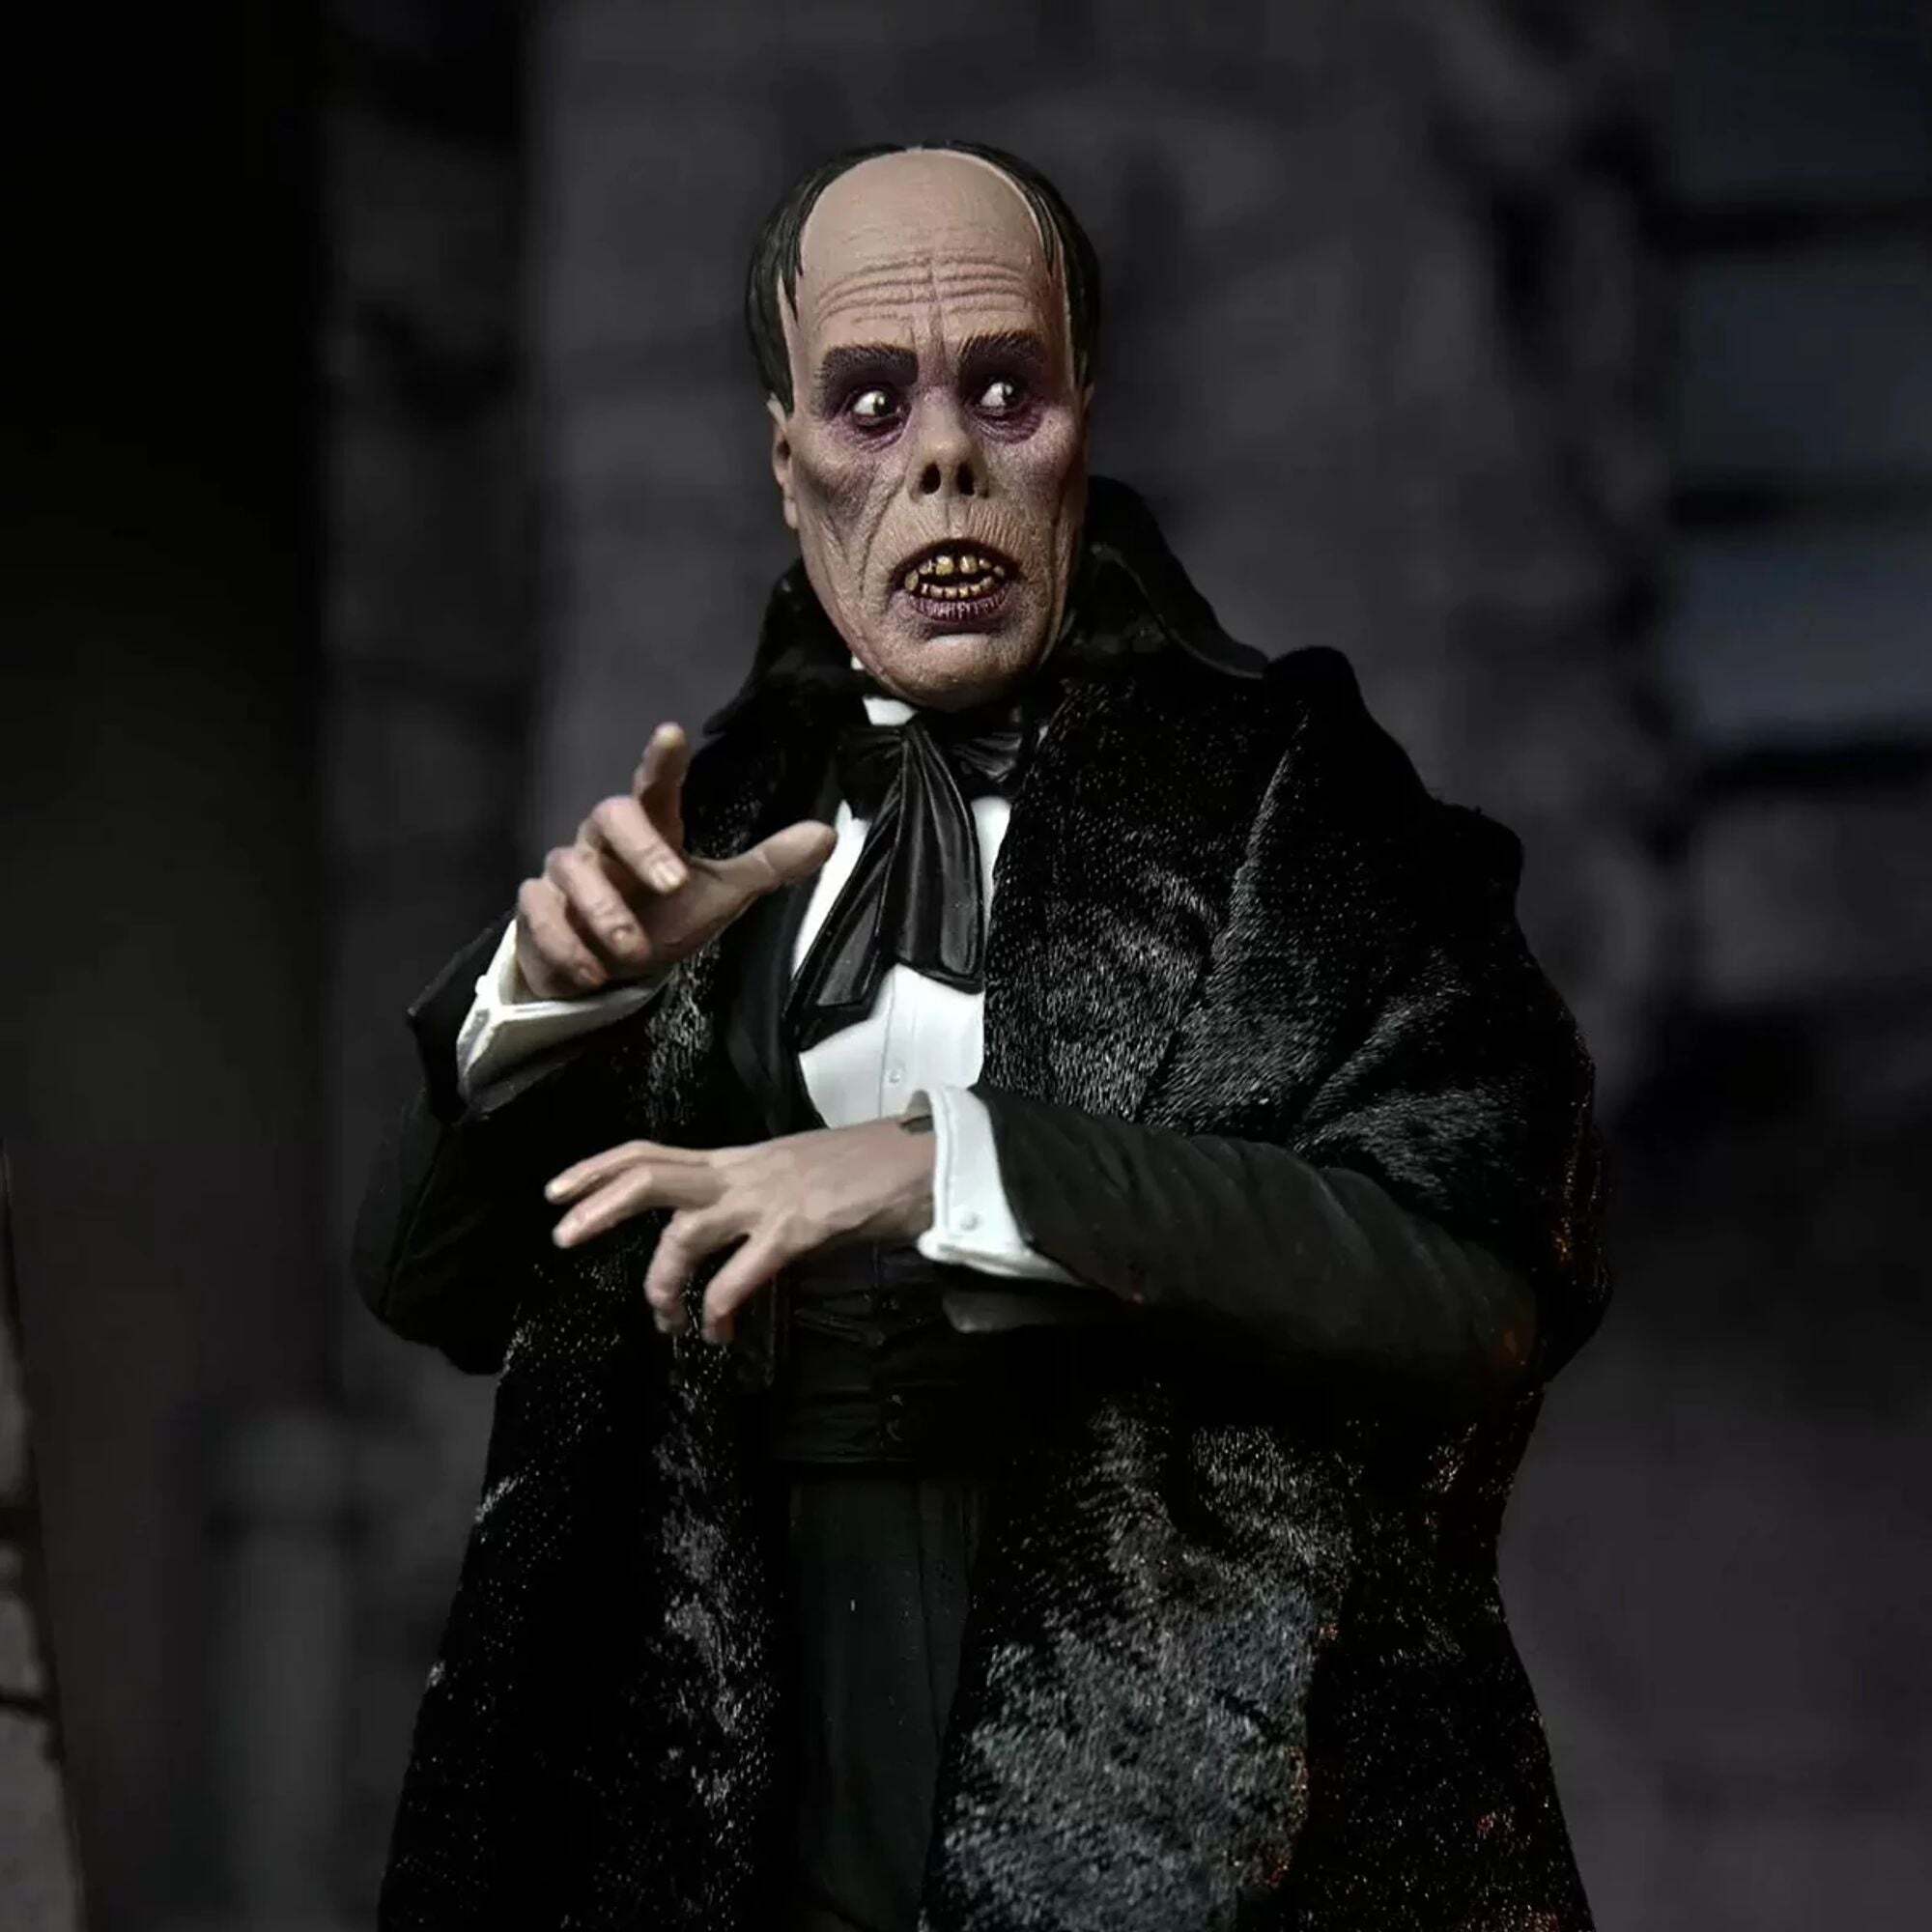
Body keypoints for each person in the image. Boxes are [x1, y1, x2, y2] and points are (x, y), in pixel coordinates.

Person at [355, 142, 1610, 1932]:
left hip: (1183, 1736)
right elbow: (425, 1288)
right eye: (869, 405)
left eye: (1002, 391)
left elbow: (1478, 1294)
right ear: (786, 460)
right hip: (740, 1721)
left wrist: (952, 1166)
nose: (942, 459)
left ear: (1084, 420)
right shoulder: (714, 827)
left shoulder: (1300, 806)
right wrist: (546, 1010)